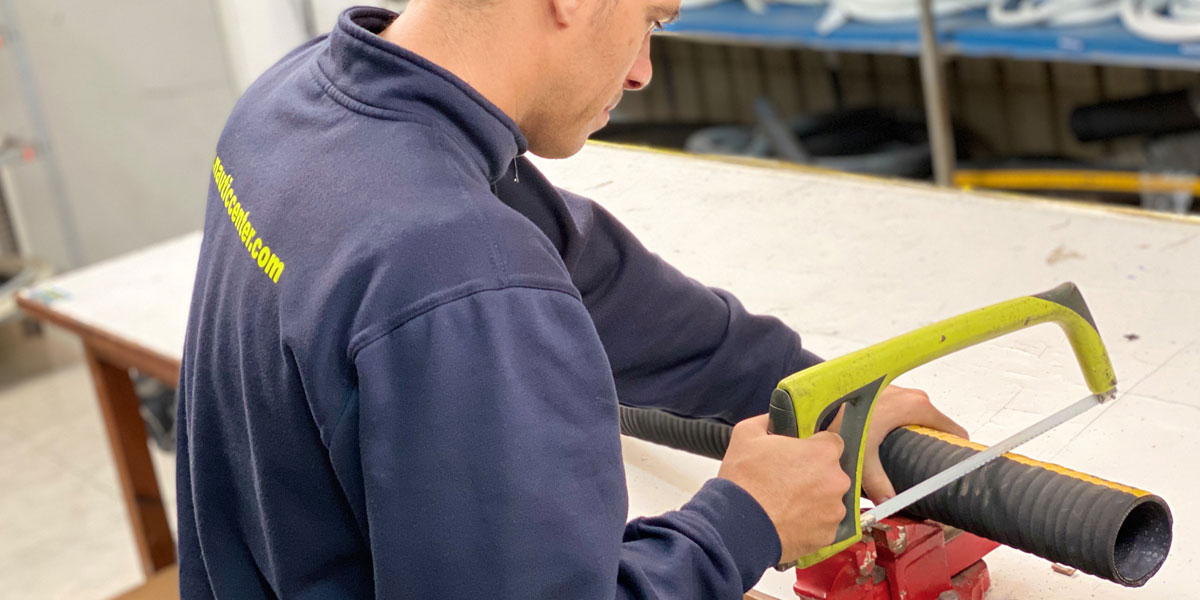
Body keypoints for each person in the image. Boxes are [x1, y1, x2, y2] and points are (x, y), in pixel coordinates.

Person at [177, 2, 968, 598]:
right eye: (650, 18)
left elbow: (606, 281)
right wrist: (745, 521)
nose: (640, 72)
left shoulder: (298, 100)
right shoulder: (458, 276)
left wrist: (826, 394)